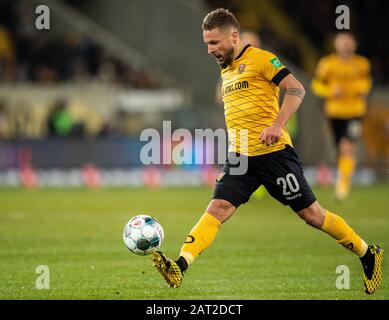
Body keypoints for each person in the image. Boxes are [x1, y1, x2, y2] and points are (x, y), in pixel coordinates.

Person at [152, 8, 383, 294]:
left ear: (233, 36)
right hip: (240, 157)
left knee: (312, 215)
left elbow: (297, 89)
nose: (210, 50)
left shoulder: (262, 59)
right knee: (218, 208)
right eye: (207, 44)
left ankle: (367, 252)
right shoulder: (225, 69)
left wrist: (277, 124)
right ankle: (180, 266)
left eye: (214, 43)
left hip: (274, 154)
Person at [311, 32, 372, 200]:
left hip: (355, 112)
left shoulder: (362, 64)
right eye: (342, 43)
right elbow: (316, 85)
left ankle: (343, 185)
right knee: (340, 148)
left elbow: (367, 81)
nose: (346, 46)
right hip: (335, 112)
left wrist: (363, 88)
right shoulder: (327, 64)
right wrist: (330, 91)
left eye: (348, 43)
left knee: (347, 146)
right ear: (336, 45)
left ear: (354, 45)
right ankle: (344, 175)